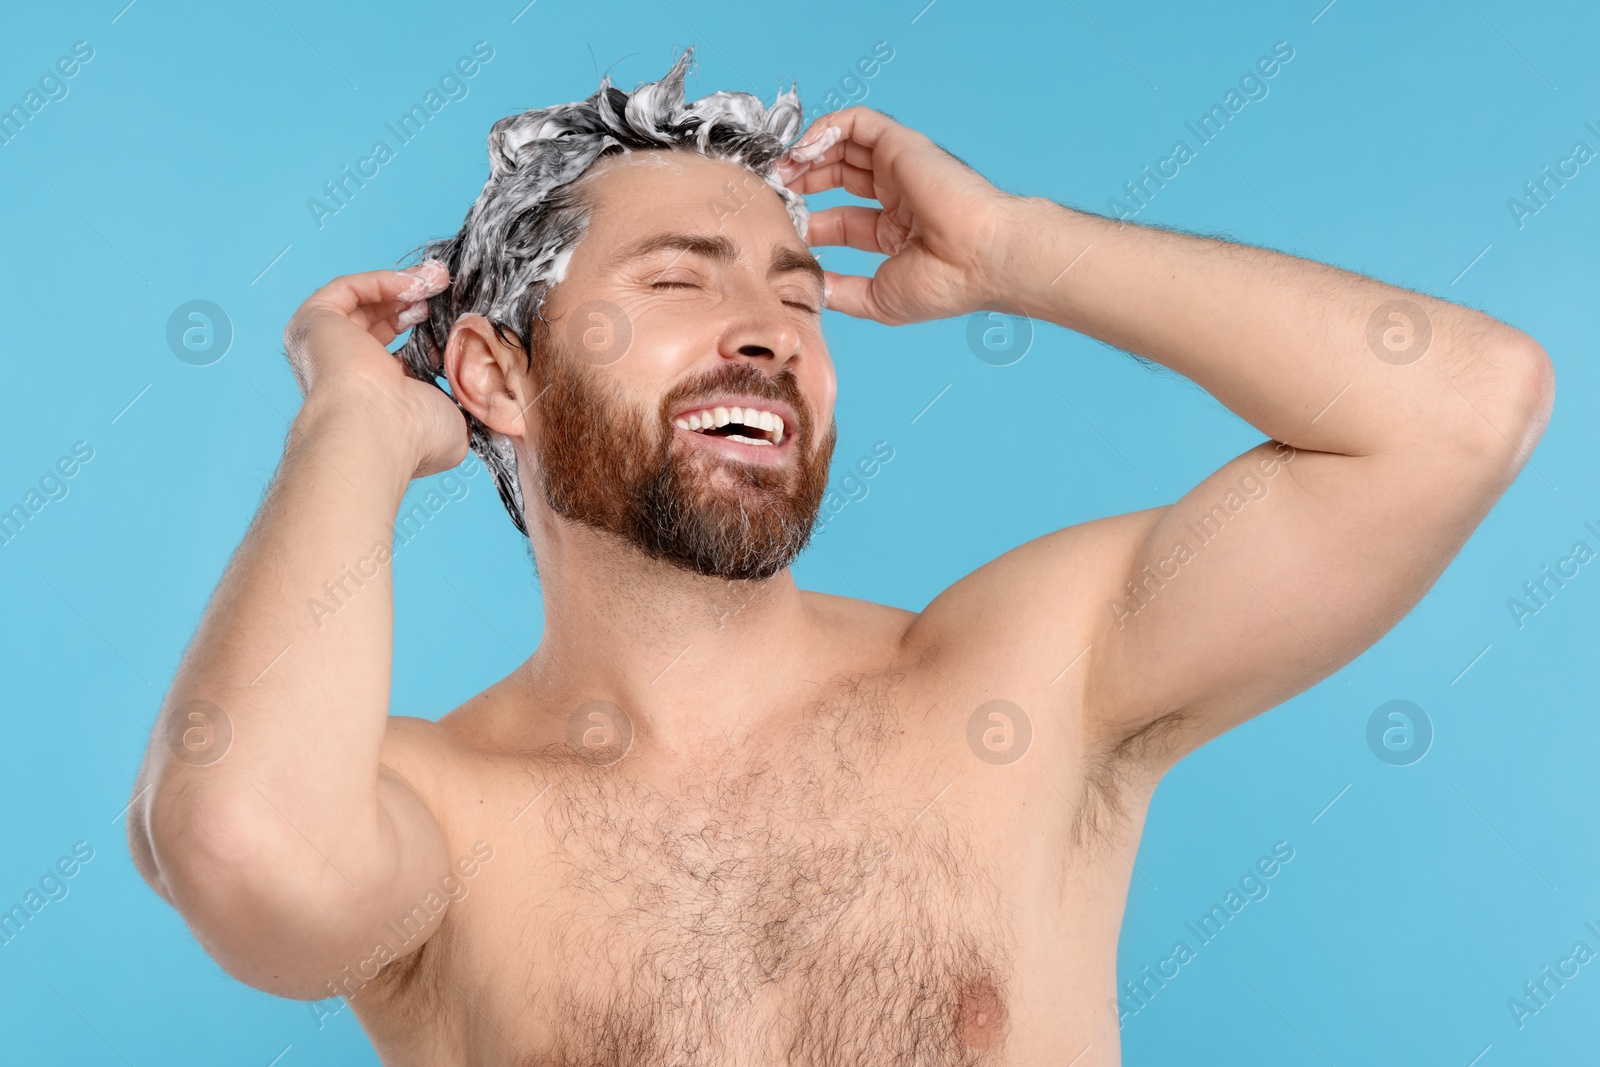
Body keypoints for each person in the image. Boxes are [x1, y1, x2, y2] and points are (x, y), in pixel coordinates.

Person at [125, 46, 1553, 1066]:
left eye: (797, 291)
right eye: (681, 279)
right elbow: (244, 853)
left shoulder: (1026, 677)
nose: (769, 327)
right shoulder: (439, 810)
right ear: (496, 378)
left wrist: (1022, 248)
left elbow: (1460, 411)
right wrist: (355, 432)